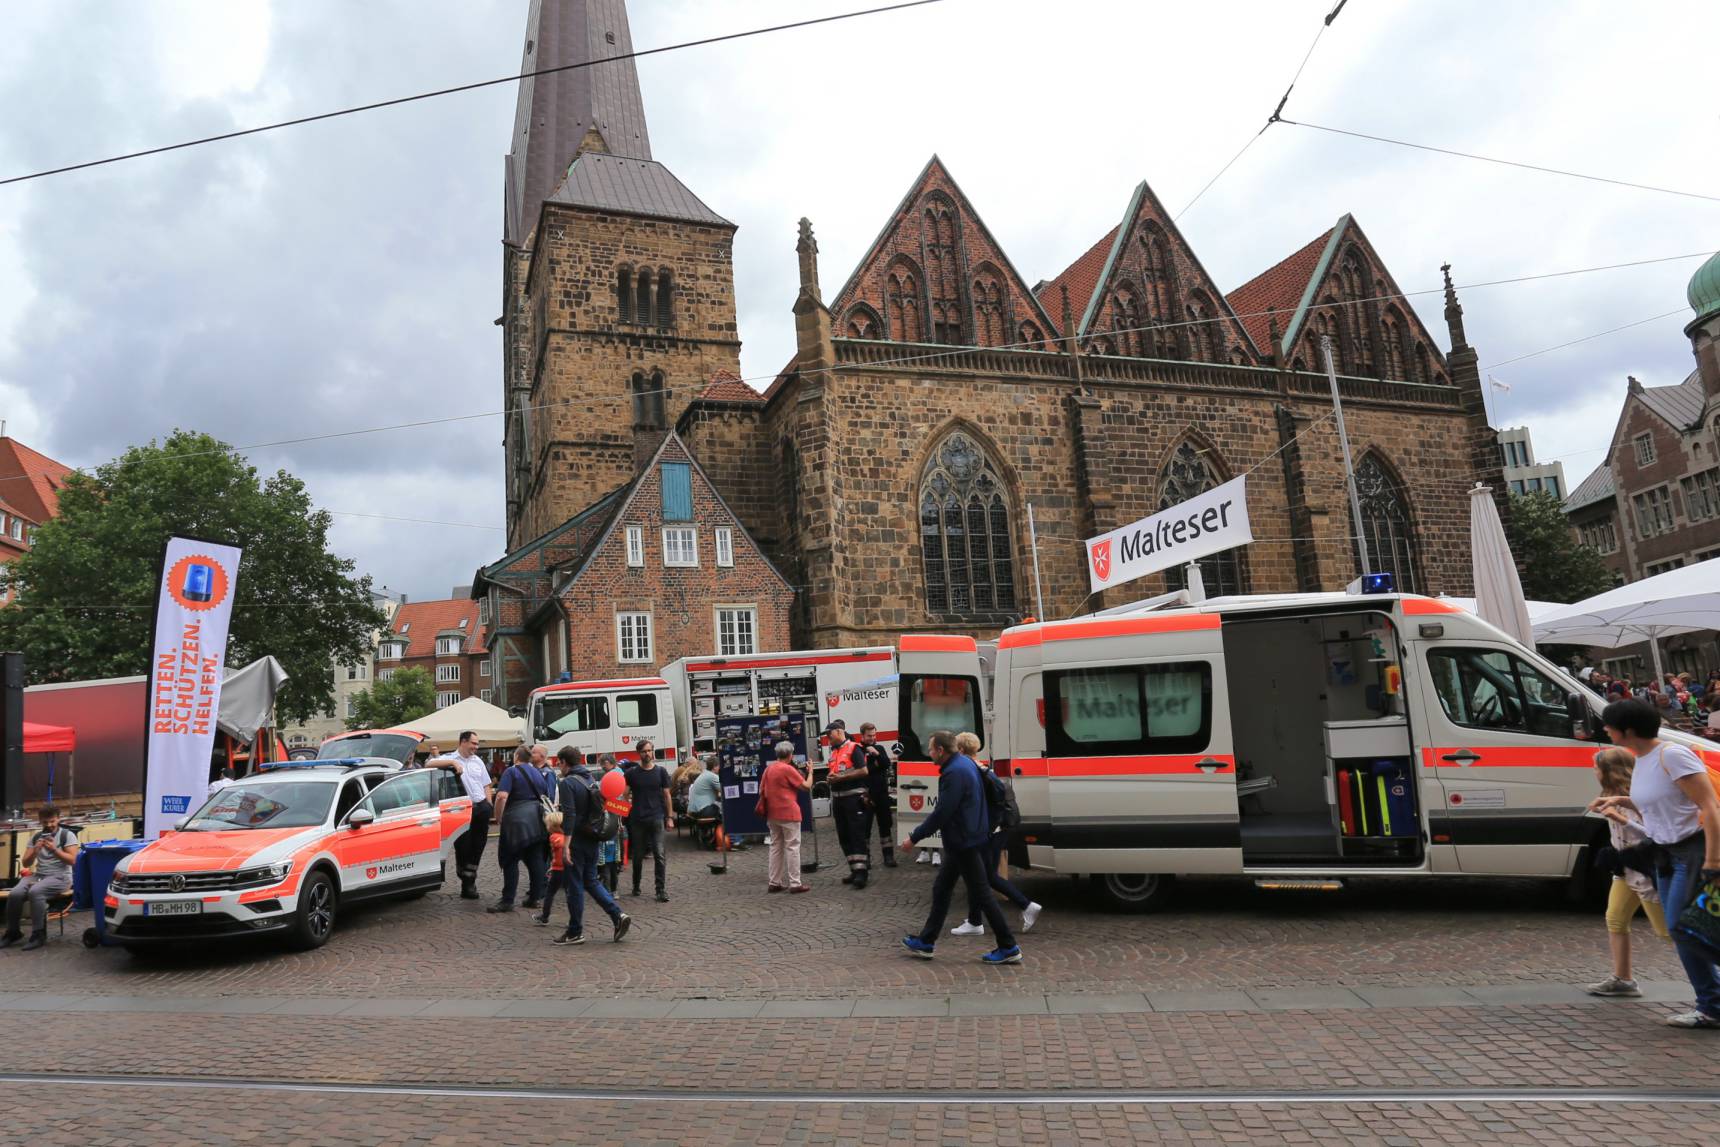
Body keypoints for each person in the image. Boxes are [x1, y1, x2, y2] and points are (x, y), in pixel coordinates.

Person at [1588, 698, 1720, 1028]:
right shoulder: (1643, 759)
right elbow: (1660, 805)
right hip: (1664, 853)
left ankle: (1712, 1004)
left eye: (1609, 725)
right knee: (1683, 929)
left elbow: (1710, 806)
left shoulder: (1671, 755)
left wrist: (1713, 859)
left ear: (1628, 730)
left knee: (1681, 927)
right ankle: (1711, 1003)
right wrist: (1623, 800)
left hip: (1690, 851)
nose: (1605, 729)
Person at [899, 731, 1021, 965]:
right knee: (942, 889)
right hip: (967, 838)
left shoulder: (954, 773)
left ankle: (1008, 946)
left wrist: (914, 837)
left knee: (982, 893)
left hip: (963, 841)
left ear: (941, 750)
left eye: (931, 749)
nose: (929, 753)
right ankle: (926, 941)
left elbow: (942, 812)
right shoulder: (964, 764)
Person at [1585, 747, 1670, 997]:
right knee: (1615, 918)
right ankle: (1623, 979)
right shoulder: (1610, 795)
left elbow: (1654, 834)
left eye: (1596, 768)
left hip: (1646, 870)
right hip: (1625, 867)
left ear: (1610, 771)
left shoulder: (1638, 796)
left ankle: (1711, 978)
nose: (1594, 772)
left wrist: (1622, 819)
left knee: (1668, 932)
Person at [949, 732, 1043, 939]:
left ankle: (1024, 906)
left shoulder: (973, 772)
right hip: (997, 829)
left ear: (961, 750)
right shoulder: (982, 768)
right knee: (981, 875)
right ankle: (975, 920)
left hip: (990, 831)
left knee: (982, 875)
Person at [555, 746, 631, 944]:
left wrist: (566, 845)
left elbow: (570, 815)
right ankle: (617, 915)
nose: (558, 767)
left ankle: (575, 931)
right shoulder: (589, 779)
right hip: (593, 837)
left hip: (577, 839)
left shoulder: (567, 783)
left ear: (564, 762)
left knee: (575, 885)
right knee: (591, 881)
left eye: (559, 763)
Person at [2, 805, 79, 951]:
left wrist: (54, 850)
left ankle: (38, 934)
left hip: (61, 877)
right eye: (45, 822)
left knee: (35, 891)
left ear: (58, 819)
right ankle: (13, 932)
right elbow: (26, 863)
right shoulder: (36, 837)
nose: (49, 825)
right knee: (15, 894)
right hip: (40, 875)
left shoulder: (67, 835)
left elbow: (72, 861)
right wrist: (35, 851)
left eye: (52, 821)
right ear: (40, 821)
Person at [489, 745, 554, 913]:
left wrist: (498, 817)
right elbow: (546, 797)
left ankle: (507, 900)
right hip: (537, 820)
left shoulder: (511, 772)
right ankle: (535, 898)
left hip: (516, 821)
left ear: (516, 756)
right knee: (536, 859)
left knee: (510, 860)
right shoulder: (539, 773)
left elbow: (502, 796)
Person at [760, 740, 813, 893]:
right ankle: (795, 883)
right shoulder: (788, 769)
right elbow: (806, 786)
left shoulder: (769, 769)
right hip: (789, 812)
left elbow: (761, 790)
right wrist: (810, 772)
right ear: (790, 755)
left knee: (775, 847)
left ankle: (774, 882)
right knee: (792, 847)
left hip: (772, 813)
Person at [446, 731, 494, 900]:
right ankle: (464, 875)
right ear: (463, 742)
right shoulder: (449, 758)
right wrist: (453, 762)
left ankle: (469, 882)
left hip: (481, 808)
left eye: (477, 744)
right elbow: (429, 763)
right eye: (474, 743)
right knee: (462, 845)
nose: (476, 747)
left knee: (478, 845)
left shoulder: (477, 761)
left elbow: (486, 784)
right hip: (462, 810)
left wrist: (489, 804)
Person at [825, 723, 873, 889]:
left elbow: (864, 771)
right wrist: (830, 778)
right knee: (844, 837)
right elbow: (836, 772)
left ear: (839, 732)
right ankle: (854, 869)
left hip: (853, 799)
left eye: (829, 734)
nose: (828, 737)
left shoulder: (854, 748)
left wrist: (841, 777)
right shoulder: (834, 752)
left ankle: (862, 874)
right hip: (839, 800)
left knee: (856, 835)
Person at [625, 740, 674, 902]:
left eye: (649, 750)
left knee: (659, 854)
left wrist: (670, 817)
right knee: (638, 856)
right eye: (643, 751)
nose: (647, 754)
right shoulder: (631, 773)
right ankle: (636, 885)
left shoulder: (661, 772)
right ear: (638, 753)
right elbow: (625, 795)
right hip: (637, 819)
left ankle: (660, 890)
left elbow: (667, 795)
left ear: (653, 751)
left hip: (657, 818)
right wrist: (624, 811)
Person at [858, 723, 896, 867]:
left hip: (881, 794)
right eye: (869, 736)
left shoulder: (879, 748)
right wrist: (875, 766)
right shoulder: (857, 750)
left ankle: (888, 856)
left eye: (874, 735)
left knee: (885, 825)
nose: (872, 738)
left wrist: (877, 755)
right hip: (866, 795)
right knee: (865, 828)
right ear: (862, 735)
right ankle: (865, 858)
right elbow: (863, 770)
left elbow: (886, 764)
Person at [595, 755, 625, 892]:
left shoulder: (614, 775)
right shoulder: (618, 774)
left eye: (604, 763)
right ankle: (612, 888)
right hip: (614, 823)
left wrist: (605, 806)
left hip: (609, 823)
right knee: (612, 860)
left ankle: (608, 889)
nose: (602, 766)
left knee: (608, 860)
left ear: (610, 763)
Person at [536, 811, 568, 927]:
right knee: (570, 894)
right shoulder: (567, 837)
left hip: (559, 870)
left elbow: (559, 844)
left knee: (550, 893)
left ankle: (545, 916)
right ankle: (574, 918)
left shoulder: (554, 836)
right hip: (564, 868)